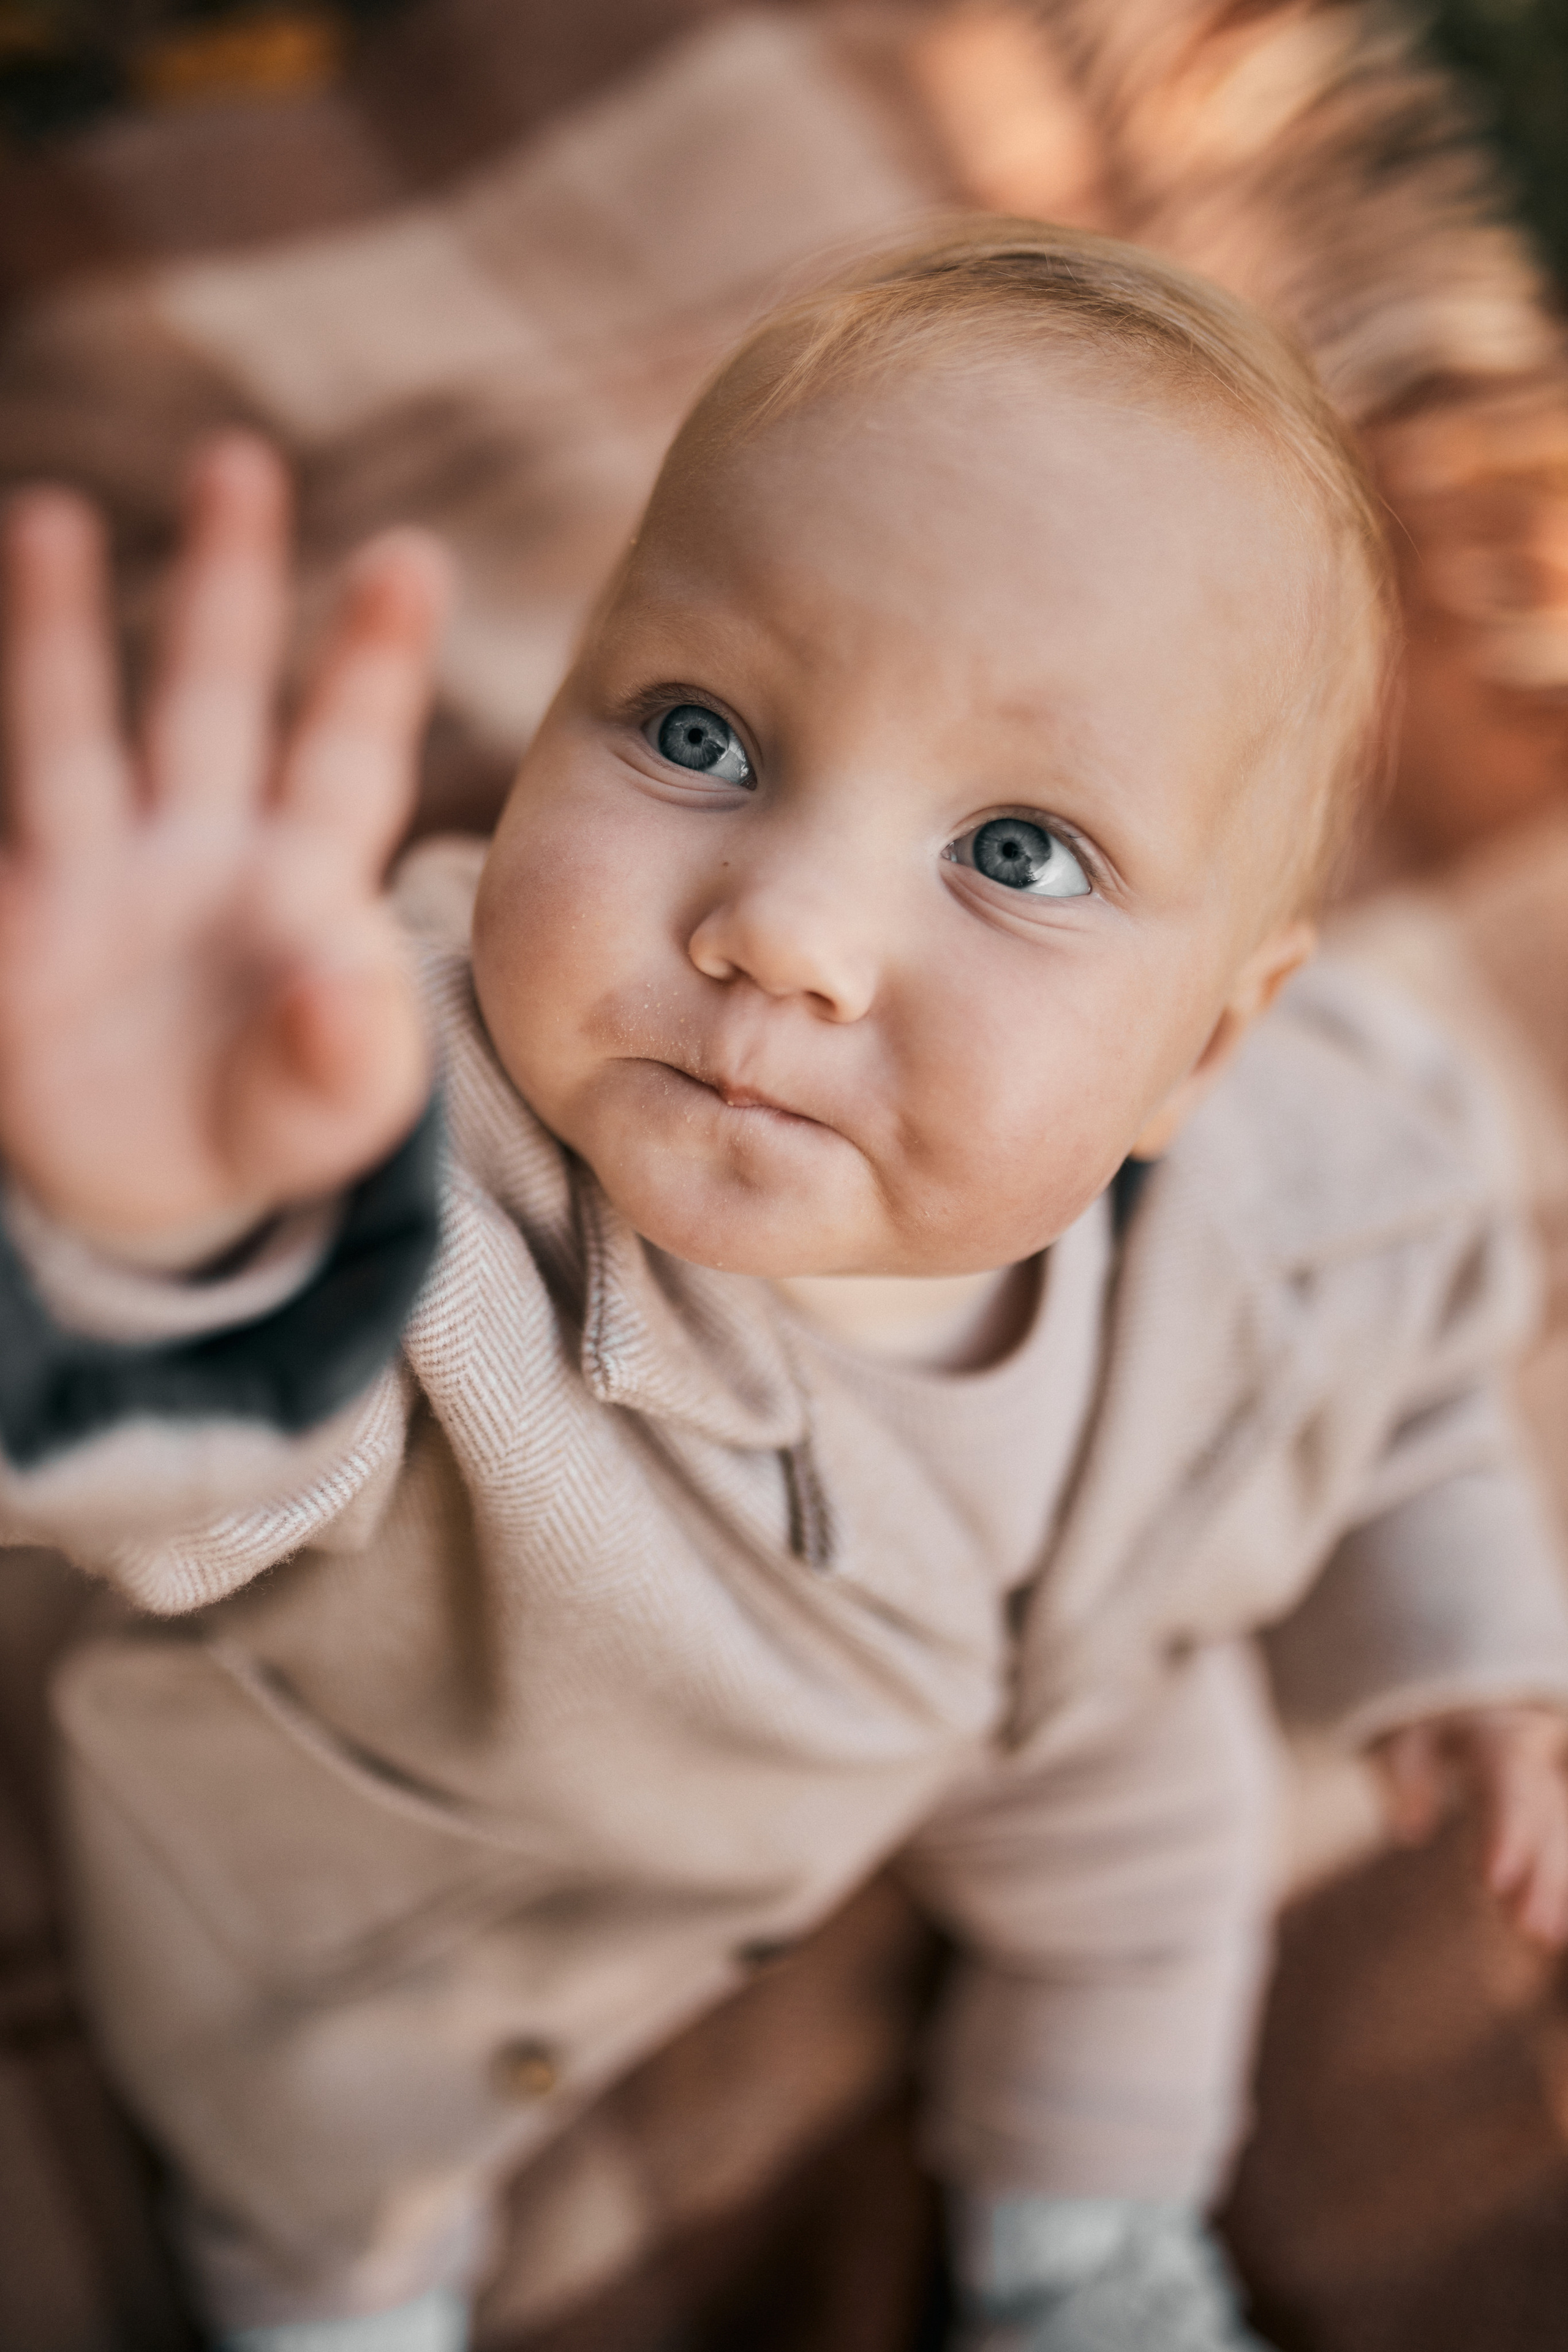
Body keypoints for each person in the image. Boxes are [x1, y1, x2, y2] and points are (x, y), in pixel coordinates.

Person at [2, 222, 1568, 2352]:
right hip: (460, 1877)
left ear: (1208, 1047)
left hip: (1052, 1672)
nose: (791, 931)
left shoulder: (1305, 1177)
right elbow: (204, 1454)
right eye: (700, 733)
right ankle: (326, 2292)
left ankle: (1086, 2241)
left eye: (1019, 851)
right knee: (319, 2125)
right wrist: (155, 1239)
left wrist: (1474, 1652)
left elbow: (1407, 1380)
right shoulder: (383, 1154)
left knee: (1162, 1860)